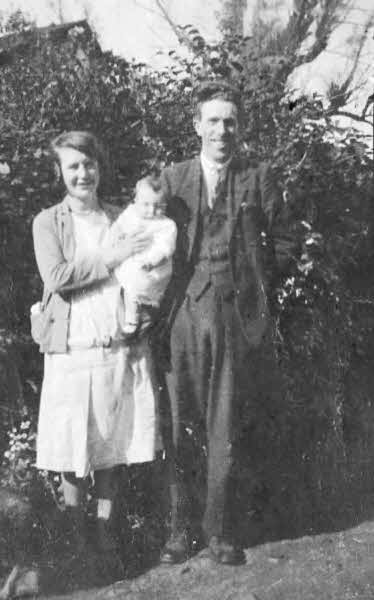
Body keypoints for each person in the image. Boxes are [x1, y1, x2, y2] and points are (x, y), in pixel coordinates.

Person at [158, 81, 294, 565]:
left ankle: (219, 530)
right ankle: (178, 530)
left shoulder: (259, 176)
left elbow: (283, 243)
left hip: (236, 316)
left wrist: (256, 288)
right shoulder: (172, 179)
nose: (222, 130)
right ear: (196, 125)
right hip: (183, 315)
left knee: (226, 421)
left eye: (230, 121)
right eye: (212, 120)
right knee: (180, 422)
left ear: (241, 126)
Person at [32, 131, 161, 570]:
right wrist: (111, 256)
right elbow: (57, 276)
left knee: (111, 449)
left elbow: (145, 270)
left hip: (115, 348)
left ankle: (107, 544)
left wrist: (144, 312)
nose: (83, 173)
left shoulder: (119, 218)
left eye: (89, 165)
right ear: (60, 173)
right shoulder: (47, 222)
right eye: (73, 166)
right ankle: (74, 545)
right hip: (72, 351)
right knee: (72, 453)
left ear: (99, 168)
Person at [105, 174, 177, 336]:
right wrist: (116, 235)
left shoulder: (166, 224)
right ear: (135, 201)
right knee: (128, 284)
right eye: (146, 205)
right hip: (132, 258)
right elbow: (119, 226)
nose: (152, 211)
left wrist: (153, 262)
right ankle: (132, 315)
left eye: (158, 206)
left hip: (154, 267)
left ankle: (135, 317)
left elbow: (166, 248)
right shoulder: (131, 213)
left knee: (136, 283)